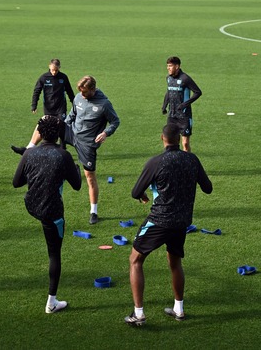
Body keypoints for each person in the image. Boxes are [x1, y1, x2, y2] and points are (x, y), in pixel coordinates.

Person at [125, 124, 212, 326]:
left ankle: (138, 314)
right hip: (182, 222)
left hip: (159, 220)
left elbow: (135, 191)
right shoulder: (192, 159)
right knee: (175, 262)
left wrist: (144, 195)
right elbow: (208, 188)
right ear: (179, 138)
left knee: (135, 260)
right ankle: (178, 309)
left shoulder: (156, 162)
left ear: (162, 138)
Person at [12, 116, 82, 314]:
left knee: (48, 231)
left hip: (32, 205)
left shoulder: (29, 154)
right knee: (54, 254)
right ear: (59, 134)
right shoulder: (63, 156)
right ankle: (51, 302)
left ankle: (53, 301)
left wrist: (36, 172)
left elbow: (16, 183)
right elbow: (77, 185)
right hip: (51, 211)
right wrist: (75, 168)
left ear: (40, 134)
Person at [64, 75, 120, 225]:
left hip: (87, 143)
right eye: (81, 92)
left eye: (85, 92)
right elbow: (72, 115)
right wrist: (61, 125)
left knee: (89, 177)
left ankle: (93, 211)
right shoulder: (78, 97)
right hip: (72, 133)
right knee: (46, 122)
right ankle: (30, 147)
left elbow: (115, 121)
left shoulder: (104, 104)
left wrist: (106, 132)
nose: (82, 95)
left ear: (93, 89)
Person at [11, 59, 75, 154]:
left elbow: (69, 91)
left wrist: (74, 104)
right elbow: (37, 91)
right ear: (49, 66)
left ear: (59, 68)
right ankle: (31, 149)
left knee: (61, 125)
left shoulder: (63, 77)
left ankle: (62, 149)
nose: (54, 72)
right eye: (53, 70)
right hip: (48, 108)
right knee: (45, 127)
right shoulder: (44, 78)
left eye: (56, 70)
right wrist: (34, 105)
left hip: (60, 108)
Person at [162, 56, 202, 152]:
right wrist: (164, 105)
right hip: (172, 115)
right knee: (170, 142)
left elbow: (198, 92)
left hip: (184, 116)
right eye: (167, 66)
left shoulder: (185, 78)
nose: (168, 68)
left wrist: (185, 104)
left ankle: (186, 163)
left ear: (177, 66)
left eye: (170, 66)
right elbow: (169, 91)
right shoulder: (168, 79)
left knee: (185, 143)